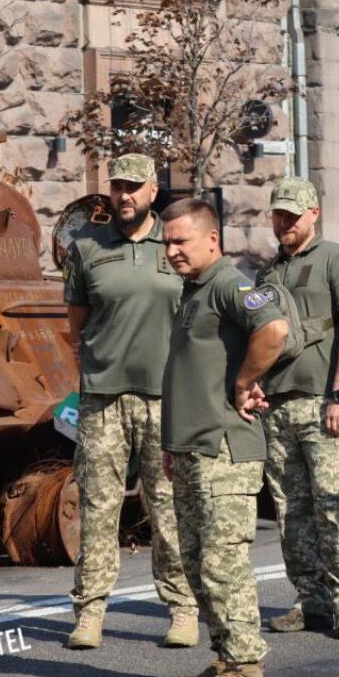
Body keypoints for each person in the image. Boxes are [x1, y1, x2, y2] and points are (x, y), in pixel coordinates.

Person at [63, 153, 198, 651]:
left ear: (152, 191)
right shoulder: (87, 247)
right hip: (103, 398)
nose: (124, 196)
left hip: (166, 399)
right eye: (117, 186)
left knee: (167, 509)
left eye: (133, 187)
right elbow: (77, 322)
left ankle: (183, 609)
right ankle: (90, 613)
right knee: (98, 509)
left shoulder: (177, 244)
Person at [159, 196, 288, 677]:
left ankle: (246, 670)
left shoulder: (228, 283)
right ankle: (226, 655)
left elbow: (274, 329)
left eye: (180, 241)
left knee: (222, 564)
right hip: (193, 448)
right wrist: (174, 445)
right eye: (165, 242)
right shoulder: (193, 290)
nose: (170, 251)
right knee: (196, 564)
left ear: (212, 239)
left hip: (225, 451)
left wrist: (246, 380)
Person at [257, 178, 339, 639]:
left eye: (291, 215)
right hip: (278, 406)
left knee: (332, 503)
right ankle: (311, 599)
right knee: (291, 511)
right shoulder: (269, 273)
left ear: (313, 214)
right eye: (277, 215)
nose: (283, 223)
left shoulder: (336, 259)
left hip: (322, 403)